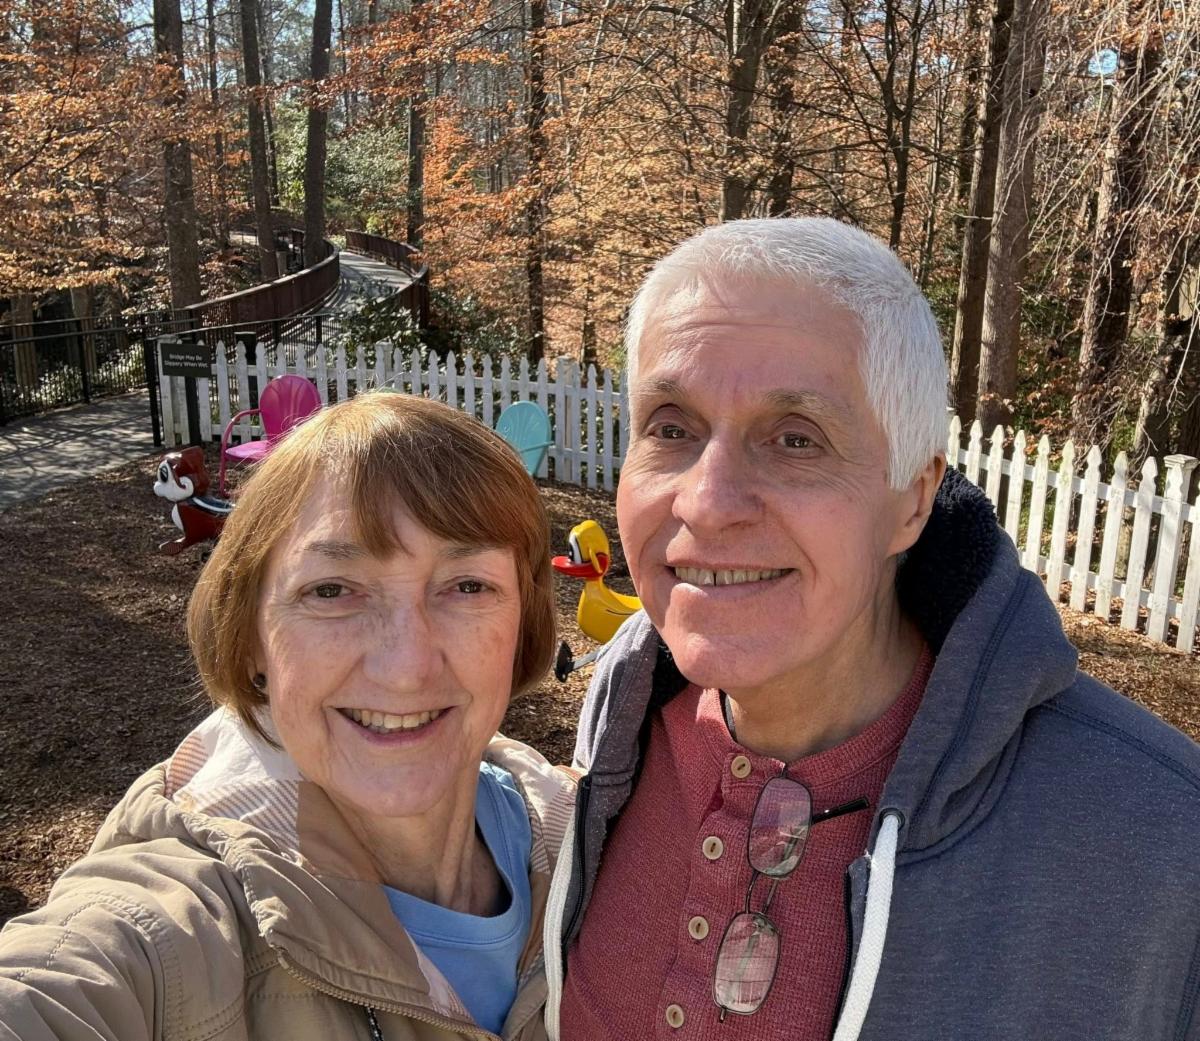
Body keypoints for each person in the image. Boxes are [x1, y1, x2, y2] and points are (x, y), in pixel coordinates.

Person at [543, 218, 1200, 1041]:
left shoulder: (1161, 844)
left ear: (912, 499)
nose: (705, 502)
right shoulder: (622, 716)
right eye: (671, 427)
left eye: (795, 439)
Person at [0, 392, 577, 1041]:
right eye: (331, 590)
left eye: (468, 585)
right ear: (250, 636)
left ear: (523, 623)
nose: (406, 666)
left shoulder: (588, 843)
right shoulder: (176, 925)